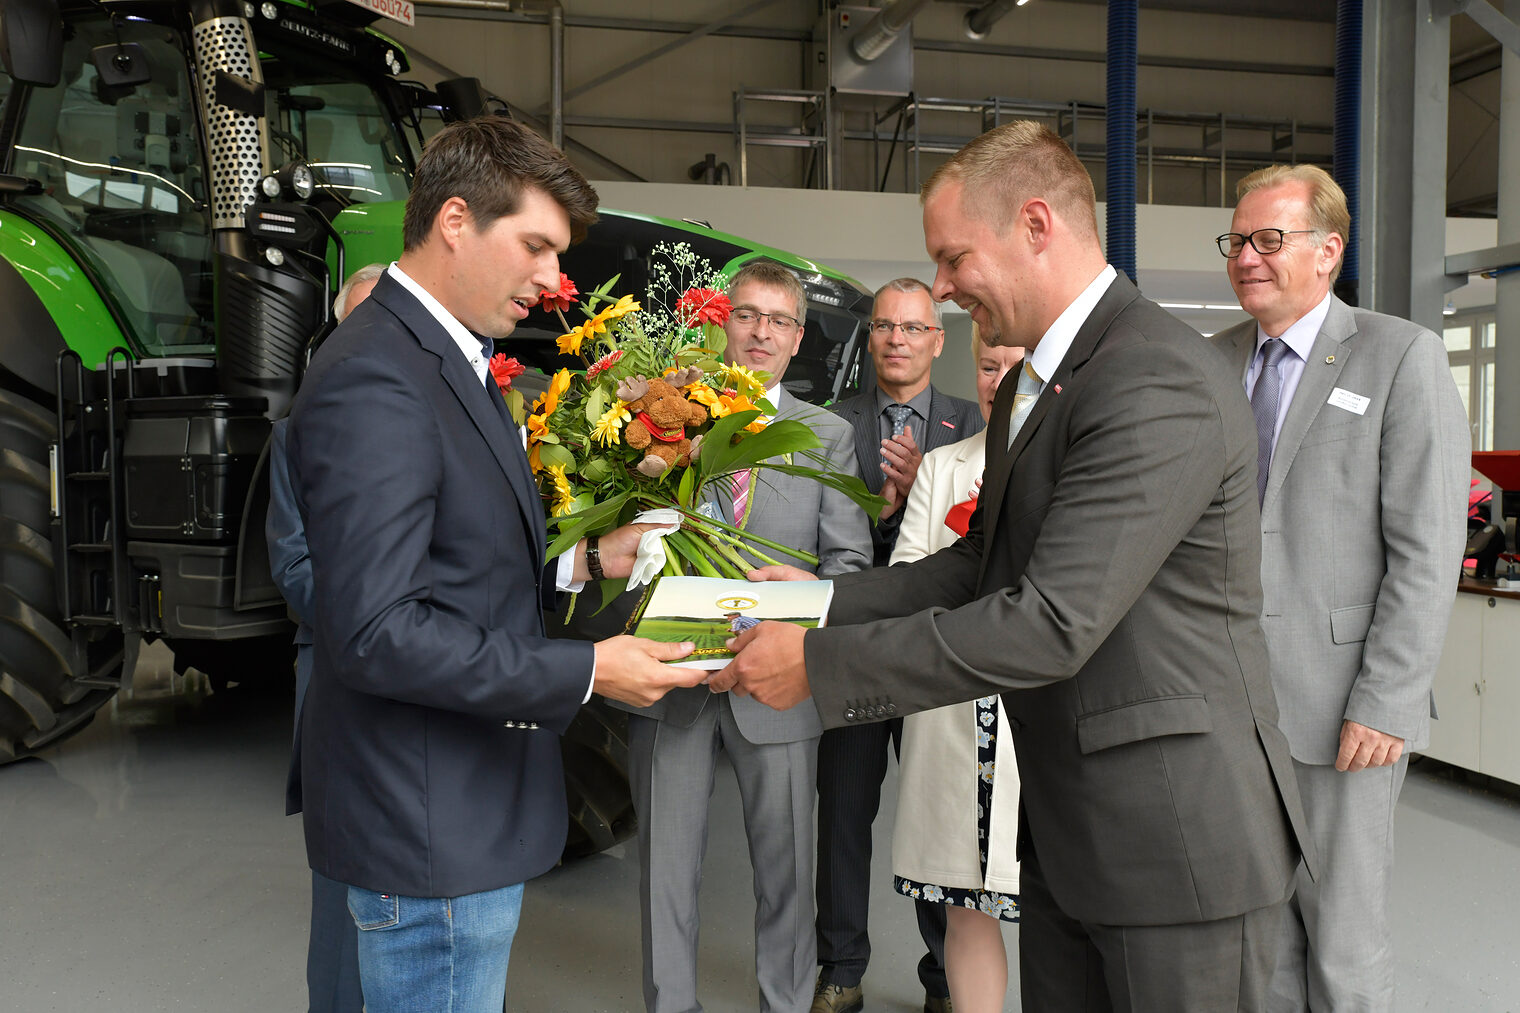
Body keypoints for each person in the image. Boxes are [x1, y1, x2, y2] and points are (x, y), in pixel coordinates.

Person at [717, 119, 1315, 1011]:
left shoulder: (1154, 376)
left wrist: (814, 667)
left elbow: (1050, 620)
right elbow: (978, 564)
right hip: (1073, 831)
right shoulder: (1046, 381)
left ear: (1036, 224)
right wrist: (819, 600)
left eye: (955, 258)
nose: (946, 287)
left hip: (1174, 839)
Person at [284, 117, 702, 1013]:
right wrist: (589, 668)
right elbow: (377, 631)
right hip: (428, 825)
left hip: (460, 813)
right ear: (456, 221)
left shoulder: (448, 361)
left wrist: (587, 557)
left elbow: (452, 558)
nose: (556, 282)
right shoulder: (380, 375)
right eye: (538, 247)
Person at [1211, 164, 1469, 1011]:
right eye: (1238, 240)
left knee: (1344, 949)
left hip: (1341, 712)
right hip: (1227, 706)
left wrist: (1388, 698)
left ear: (1329, 251)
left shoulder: (1400, 356)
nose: (1247, 256)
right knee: (1262, 944)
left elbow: (1427, 547)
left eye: (1268, 239)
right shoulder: (1209, 362)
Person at [616, 260, 872, 1013]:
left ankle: (785, 1005)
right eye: (747, 314)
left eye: (778, 320)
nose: (761, 331)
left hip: (778, 686)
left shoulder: (825, 435)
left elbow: (848, 565)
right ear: (721, 323)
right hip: (669, 681)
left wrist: (778, 637)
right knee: (664, 870)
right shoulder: (661, 422)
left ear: (798, 340)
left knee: (787, 875)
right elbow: (627, 551)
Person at [812, 277, 981, 1013]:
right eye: (884, 326)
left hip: (932, 657)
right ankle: (841, 969)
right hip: (852, 652)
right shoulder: (827, 425)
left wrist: (925, 495)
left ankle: (947, 979)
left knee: (939, 819)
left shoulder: (975, 424)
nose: (898, 340)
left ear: (938, 340)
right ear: (870, 336)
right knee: (844, 816)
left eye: (914, 328)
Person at [889, 327, 1026, 1013]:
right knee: (967, 904)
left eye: (1013, 365)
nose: (998, 379)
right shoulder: (943, 465)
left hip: (1036, 716)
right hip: (950, 713)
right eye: (987, 365)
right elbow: (907, 575)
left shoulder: (1073, 459)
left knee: (1062, 902)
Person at [268, 262, 386, 1013]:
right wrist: (382, 624)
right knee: (344, 869)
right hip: (341, 668)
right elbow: (294, 562)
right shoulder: (295, 436)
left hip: (432, 669)